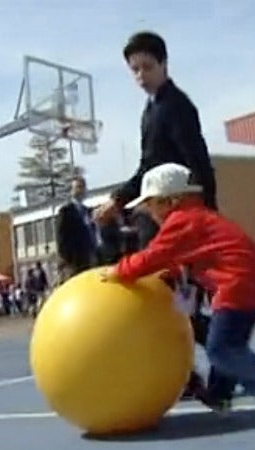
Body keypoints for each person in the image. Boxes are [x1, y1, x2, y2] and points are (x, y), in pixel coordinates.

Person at [100, 163, 255, 439]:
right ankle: (220, 394)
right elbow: (177, 259)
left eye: (150, 205)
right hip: (254, 282)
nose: (149, 213)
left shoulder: (182, 221)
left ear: (169, 201)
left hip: (237, 284)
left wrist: (119, 271)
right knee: (230, 344)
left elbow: (154, 255)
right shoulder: (197, 217)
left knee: (221, 349)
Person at [93, 30, 220, 399]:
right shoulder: (151, 111)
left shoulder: (176, 107)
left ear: (164, 64)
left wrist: (206, 218)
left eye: (147, 67)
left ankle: (226, 358)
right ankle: (192, 373)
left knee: (179, 303)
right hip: (158, 219)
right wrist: (120, 200)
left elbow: (199, 164)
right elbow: (148, 168)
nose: (140, 75)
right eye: (134, 69)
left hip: (180, 223)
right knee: (172, 304)